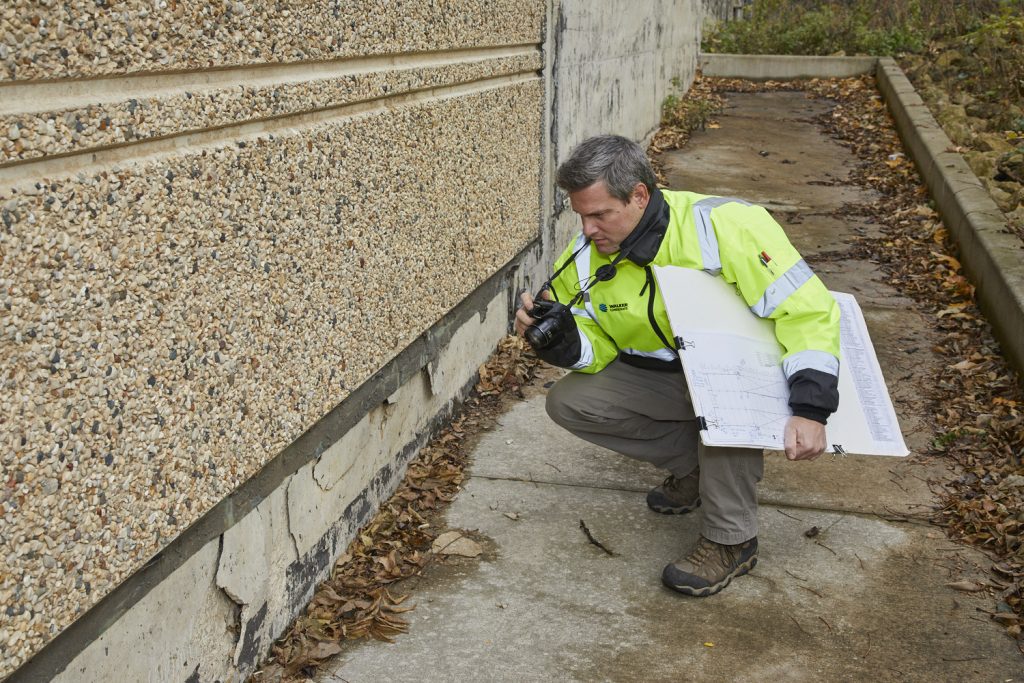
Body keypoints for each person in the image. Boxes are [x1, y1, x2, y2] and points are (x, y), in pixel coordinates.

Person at [514, 134, 840, 596]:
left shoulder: (726, 227)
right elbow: (599, 349)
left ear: (640, 195)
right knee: (570, 402)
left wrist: (811, 408)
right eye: (581, 215)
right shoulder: (584, 258)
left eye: (600, 214)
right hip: (668, 376)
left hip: (745, 375)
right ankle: (698, 469)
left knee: (718, 410)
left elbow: (807, 311)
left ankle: (732, 540)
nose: (587, 230)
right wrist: (563, 344)